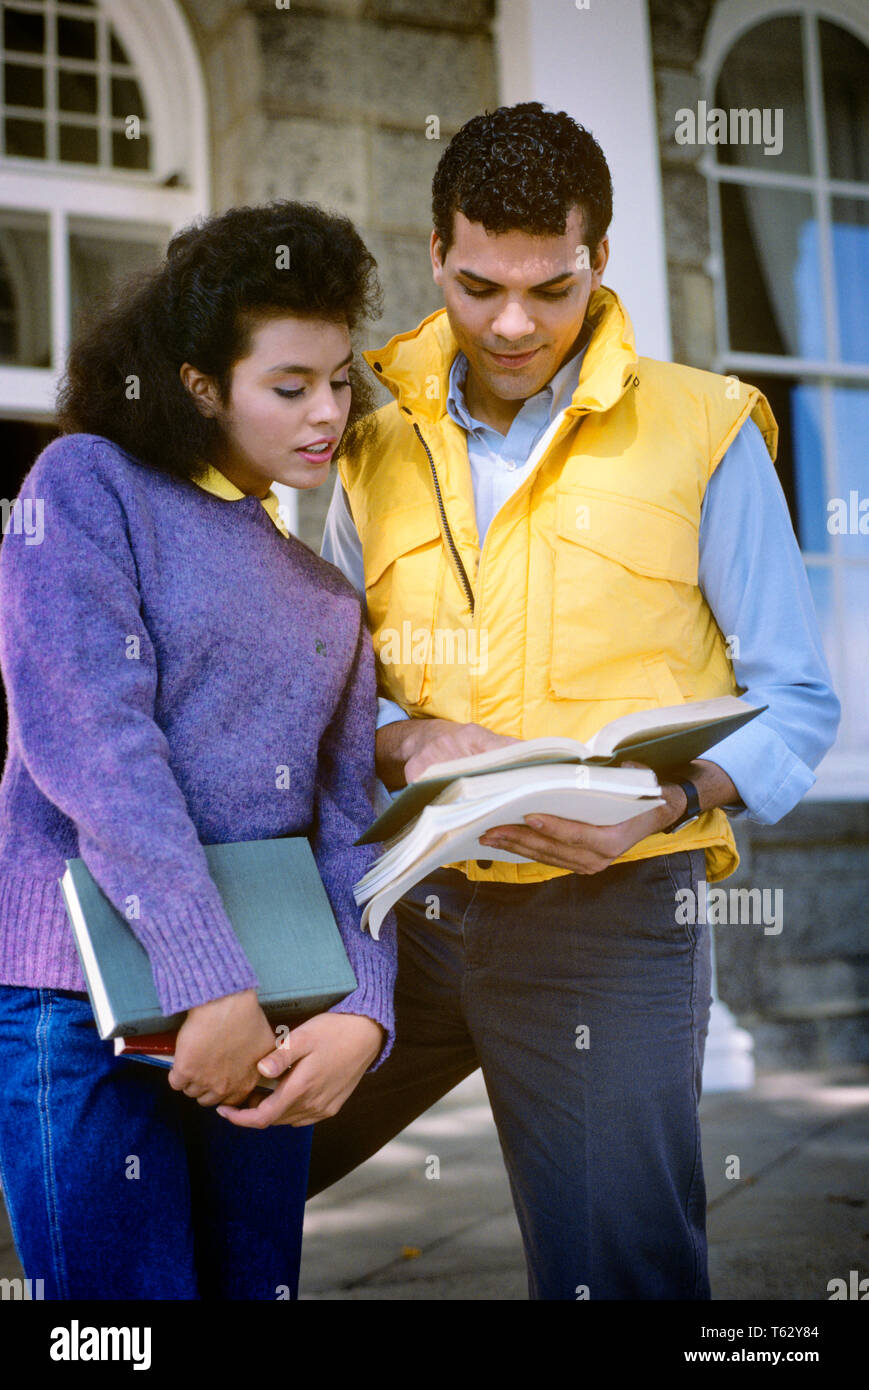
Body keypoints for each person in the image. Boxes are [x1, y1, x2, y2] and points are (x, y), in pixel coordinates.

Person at [296, 103, 840, 1300]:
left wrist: (661, 806)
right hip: (399, 909)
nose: (510, 323)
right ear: (434, 252)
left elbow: (794, 701)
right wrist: (397, 738)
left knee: (619, 1274)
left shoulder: (705, 430)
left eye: (551, 289)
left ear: (598, 259)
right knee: (216, 1159)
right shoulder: (363, 443)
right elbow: (318, 696)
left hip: (609, 926)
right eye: (480, 282)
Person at [0, 200, 396, 1300]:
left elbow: (350, 825)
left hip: (266, 1019)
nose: (327, 413)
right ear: (199, 384)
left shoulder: (325, 593)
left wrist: (364, 1006)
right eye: (289, 386)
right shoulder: (85, 488)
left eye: (339, 379)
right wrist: (205, 980)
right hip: (79, 1004)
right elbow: (92, 740)